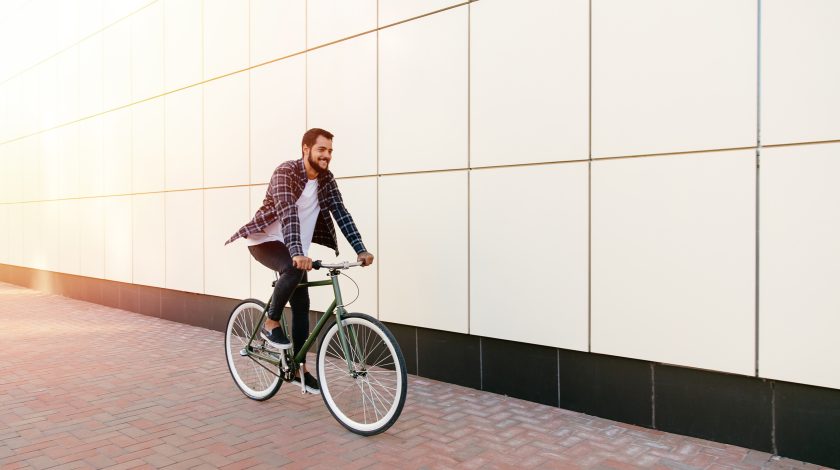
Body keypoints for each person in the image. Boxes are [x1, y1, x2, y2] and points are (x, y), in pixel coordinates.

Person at [225, 128, 374, 393]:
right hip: (265, 241)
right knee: (291, 271)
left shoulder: (326, 180)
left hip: (296, 250)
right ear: (306, 149)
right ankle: (270, 324)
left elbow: (341, 213)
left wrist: (360, 249)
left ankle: (298, 368)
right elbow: (288, 213)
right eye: (321, 150)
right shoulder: (286, 172)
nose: (327, 155)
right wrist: (296, 253)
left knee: (302, 304)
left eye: (330, 151)